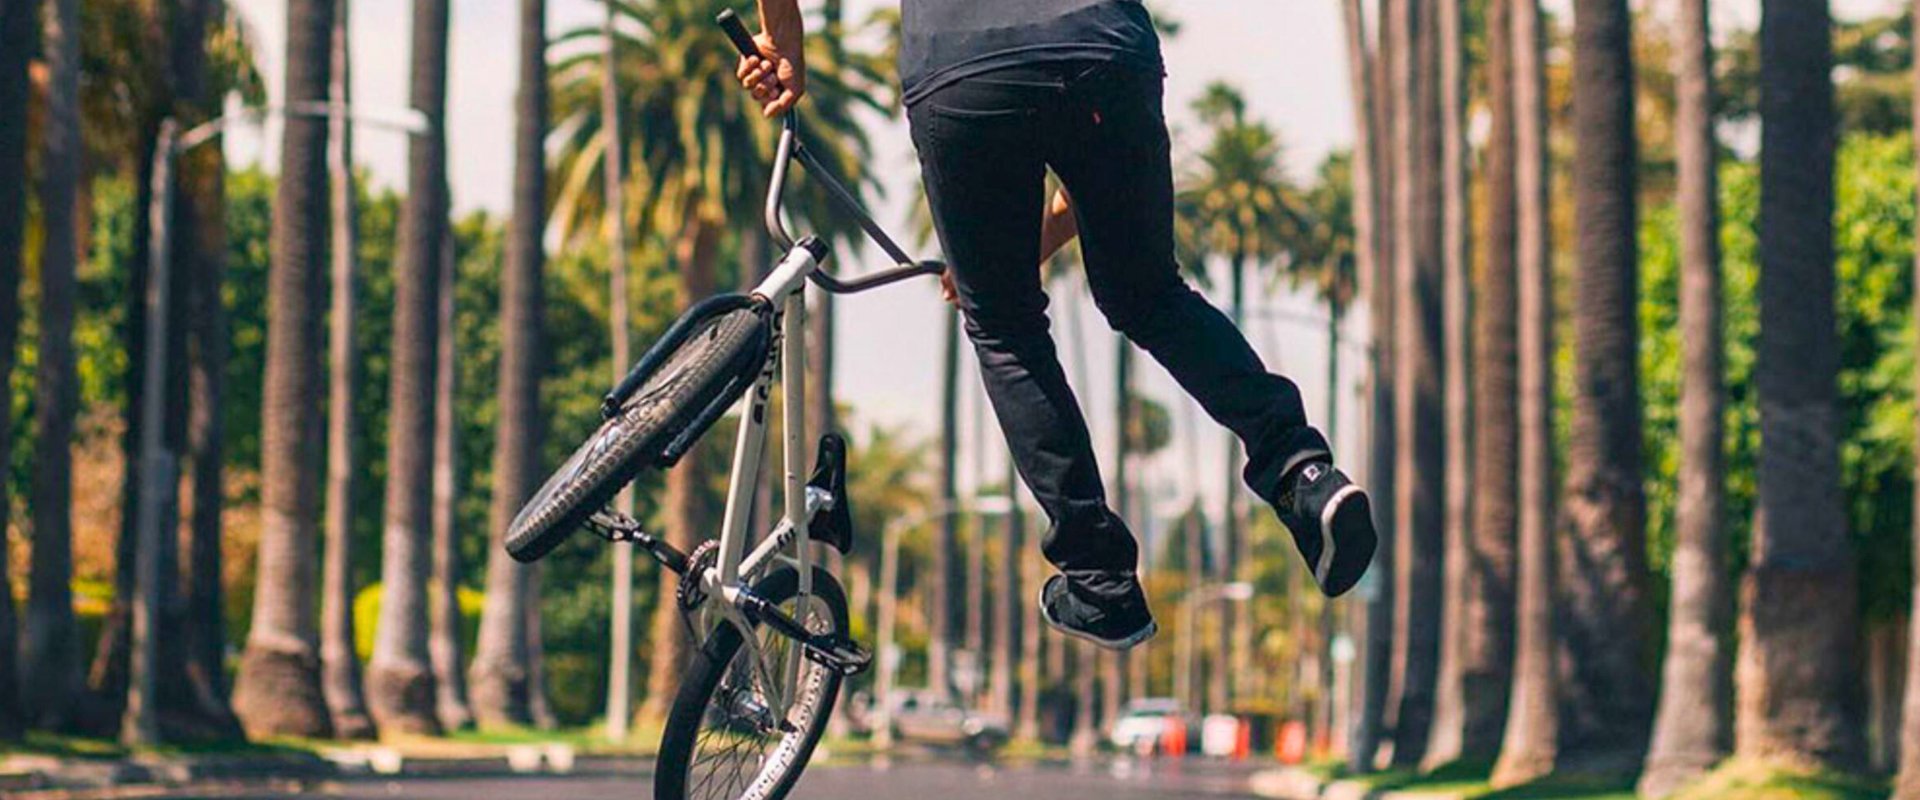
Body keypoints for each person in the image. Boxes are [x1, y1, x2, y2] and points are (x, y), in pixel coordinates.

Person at [736, 0, 1376, 650]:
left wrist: (785, 41)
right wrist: (1028, 244)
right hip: (1102, 50)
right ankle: (1301, 470)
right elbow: (1066, 98)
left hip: (963, 72)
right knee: (1149, 295)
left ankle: (1100, 579)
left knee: (1004, 328)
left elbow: (1018, 84)